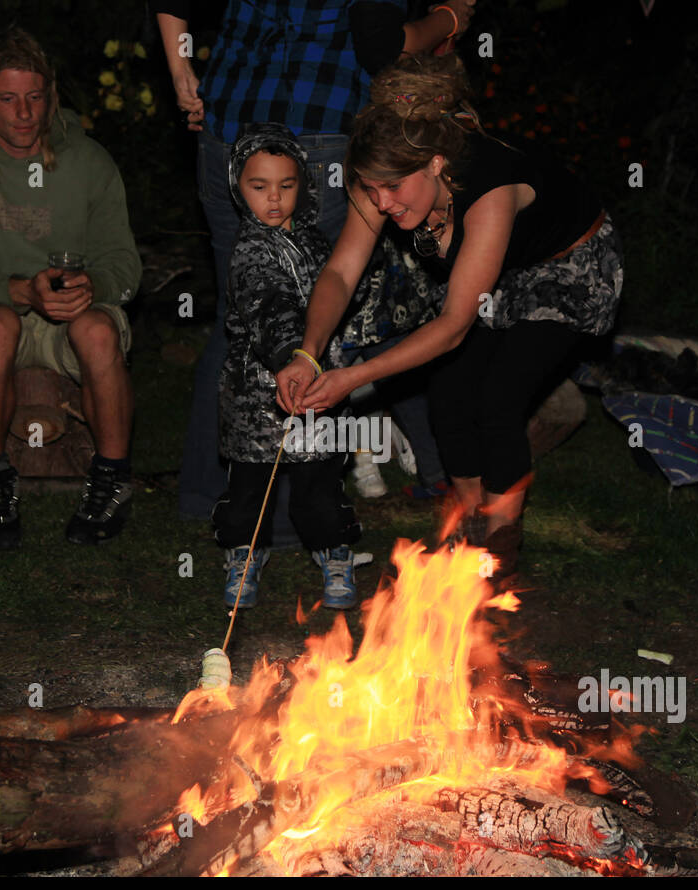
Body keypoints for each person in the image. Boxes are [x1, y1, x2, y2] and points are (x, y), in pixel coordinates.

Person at [276, 54, 623, 576]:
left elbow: (454, 325)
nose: (382, 203)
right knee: (448, 391)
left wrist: (354, 378)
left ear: (437, 162)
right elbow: (341, 273)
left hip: (568, 266)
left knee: (500, 392)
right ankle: (468, 522)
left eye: (393, 189)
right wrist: (308, 351)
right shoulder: (380, 171)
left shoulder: (488, 188)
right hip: (497, 270)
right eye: (371, 191)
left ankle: (502, 541)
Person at [154, 0, 476, 525]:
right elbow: (380, 42)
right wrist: (452, 17)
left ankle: (213, 495)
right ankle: (295, 509)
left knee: (242, 315)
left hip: (230, 125)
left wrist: (182, 72)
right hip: (320, 127)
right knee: (317, 319)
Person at [0, 29, 143, 550]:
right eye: (7, 99)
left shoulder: (89, 161)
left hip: (73, 313)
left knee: (96, 331)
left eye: (35, 97)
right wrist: (20, 291)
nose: (24, 113)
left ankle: (111, 479)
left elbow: (123, 263)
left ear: (50, 98)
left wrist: (95, 285)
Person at [214, 124, 361, 610]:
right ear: (239, 188)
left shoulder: (319, 243)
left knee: (320, 485)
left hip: (319, 386)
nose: (273, 200)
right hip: (259, 395)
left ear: (304, 184)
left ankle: (333, 549)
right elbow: (268, 305)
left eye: (286, 185)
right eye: (259, 187)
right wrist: (288, 356)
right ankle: (244, 551)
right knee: (249, 492)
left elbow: (344, 295)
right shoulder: (250, 250)